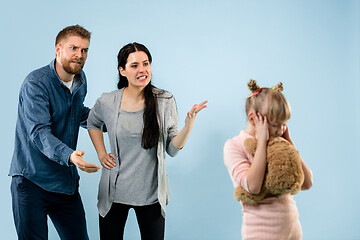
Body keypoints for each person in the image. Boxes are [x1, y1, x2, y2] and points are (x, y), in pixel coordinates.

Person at [87, 42, 207, 240]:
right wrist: (101, 153)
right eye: (134, 66)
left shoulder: (164, 100)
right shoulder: (107, 101)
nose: (142, 70)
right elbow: (93, 123)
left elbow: (172, 149)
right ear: (122, 70)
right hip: (114, 194)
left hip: (151, 194)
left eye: (146, 63)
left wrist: (188, 125)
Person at [9, 25, 100, 240]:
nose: (79, 55)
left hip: (64, 184)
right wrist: (69, 155)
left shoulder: (80, 79)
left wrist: (113, 120)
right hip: (31, 181)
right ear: (58, 49)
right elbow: (39, 132)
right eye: (73, 48)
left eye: (84, 50)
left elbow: (77, 113)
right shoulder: (36, 83)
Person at [224, 80, 313, 240]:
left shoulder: (279, 140)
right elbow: (253, 186)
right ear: (253, 119)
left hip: (292, 232)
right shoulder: (235, 146)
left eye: (284, 124)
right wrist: (262, 141)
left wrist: (289, 142)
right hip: (261, 234)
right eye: (275, 125)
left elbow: (306, 183)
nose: (280, 130)